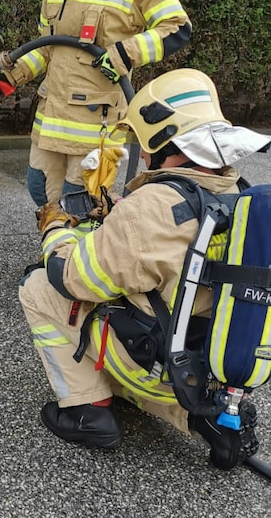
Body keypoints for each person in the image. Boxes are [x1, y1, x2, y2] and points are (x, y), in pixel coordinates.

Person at [18, 68, 269, 470]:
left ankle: (88, 411)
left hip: (151, 360)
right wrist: (119, 217)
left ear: (163, 141)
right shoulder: (238, 197)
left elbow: (74, 279)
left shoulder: (150, 210)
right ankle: (205, 420)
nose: (143, 154)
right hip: (208, 369)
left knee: (37, 287)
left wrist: (55, 229)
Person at [0, 0, 192, 207]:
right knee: (40, 191)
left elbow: (177, 28)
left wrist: (124, 53)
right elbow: (47, 47)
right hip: (50, 119)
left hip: (96, 124)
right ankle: (57, 257)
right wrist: (12, 70)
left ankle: (80, 259)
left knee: (81, 202)